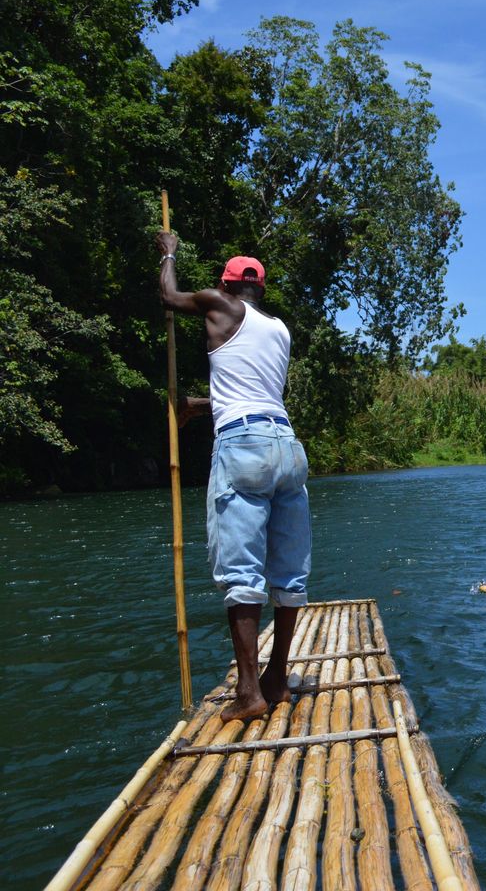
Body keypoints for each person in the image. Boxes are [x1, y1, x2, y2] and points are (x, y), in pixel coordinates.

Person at [157, 233, 312, 722]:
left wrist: (169, 253)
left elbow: (168, 296)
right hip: (287, 447)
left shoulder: (217, 305)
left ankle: (249, 695)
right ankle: (277, 678)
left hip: (243, 448)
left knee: (242, 573)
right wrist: (198, 408)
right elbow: (253, 393)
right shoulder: (280, 329)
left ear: (226, 286)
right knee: (289, 574)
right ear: (260, 289)